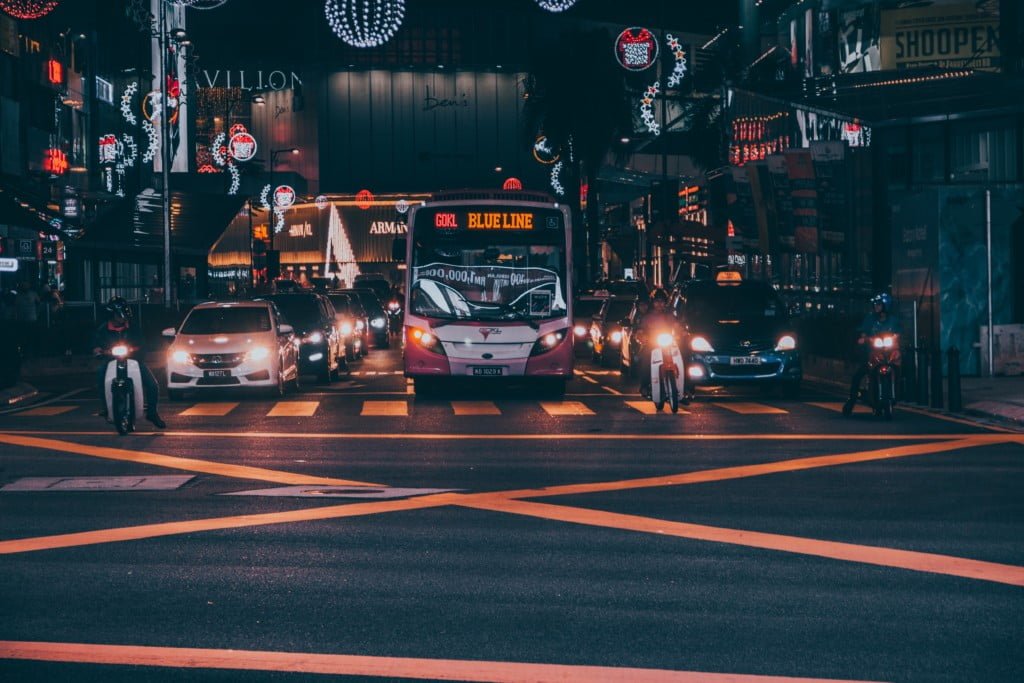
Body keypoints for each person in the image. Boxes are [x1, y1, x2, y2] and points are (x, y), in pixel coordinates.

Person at [92, 296, 165, 428]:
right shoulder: (103, 330)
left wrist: (136, 351)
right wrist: (98, 351)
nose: (123, 317)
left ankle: (152, 413)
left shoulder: (134, 327)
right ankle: (106, 407)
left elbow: (142, 343)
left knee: (153, 385)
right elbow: (96, 345)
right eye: (120, 314)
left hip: (134, 361)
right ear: (113, 314)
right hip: (111, 362)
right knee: (100, 377)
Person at [844, 293, 902, 410]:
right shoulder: (870, 319)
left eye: (879, 304)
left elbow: (898, 333)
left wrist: (896, 337)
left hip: (890, 354)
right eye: (875, 304)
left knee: (903, 370)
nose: (876, 307)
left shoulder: (893, 320)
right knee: (857, 376)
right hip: (872, 354)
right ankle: (851, 401)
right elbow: (864, 332)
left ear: (886, 306)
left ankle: (901, 393)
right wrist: (863, 338)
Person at [635, 288, 679, 398]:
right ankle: (644, 386)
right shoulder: (647, 317)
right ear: (653, 303)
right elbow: (640, 330)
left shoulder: (670, 316)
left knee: (684, 357)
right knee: (645, 360)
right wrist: (642, 336)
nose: (659, 304)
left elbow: (677, 326)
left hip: (669, 345)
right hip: (652, 345)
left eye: (662, 301)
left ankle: (687, 388)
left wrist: (682, 333)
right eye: (657, 301)